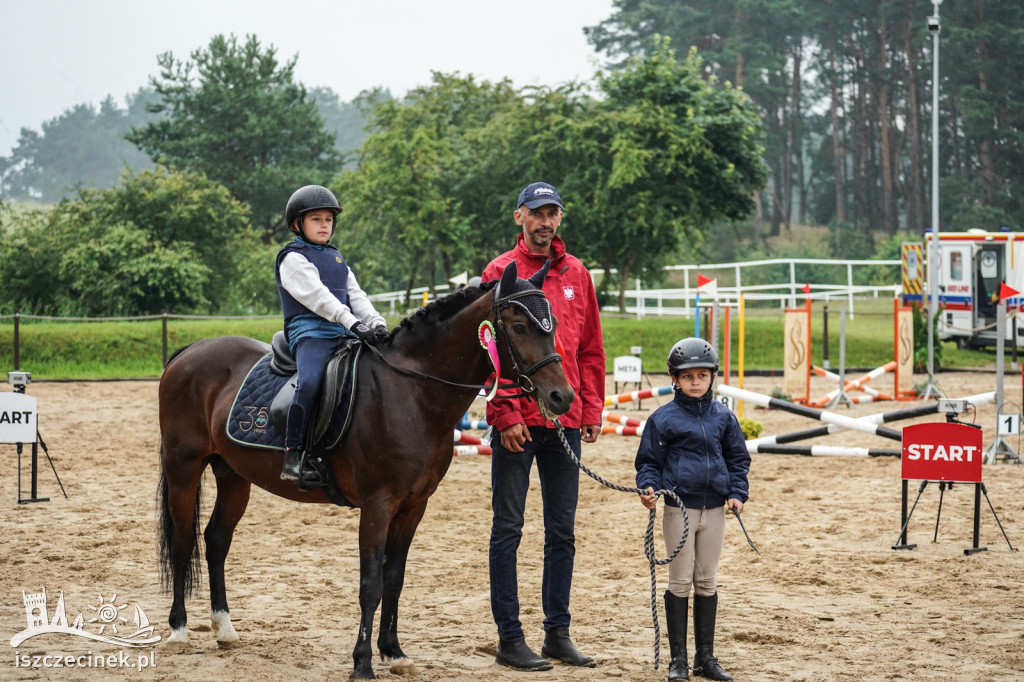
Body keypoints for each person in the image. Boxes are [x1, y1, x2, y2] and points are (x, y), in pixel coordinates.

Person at [483, 181, 605, 671]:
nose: (546, 221)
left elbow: (590, 348)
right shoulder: (499, 273)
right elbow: (490, 354)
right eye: (537, 213)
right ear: (519, 218)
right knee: (508, 530)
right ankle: (510, 638)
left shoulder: (578, 273)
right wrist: (506, 413)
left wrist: (592, 407)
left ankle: (558, 633)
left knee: (562, 531)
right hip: (517, 423)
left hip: (567, 420)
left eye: (553, 213)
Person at [635, 338, 750, 681]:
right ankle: (679, 661)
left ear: (713, 377)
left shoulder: (724, 418)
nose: (696, 382)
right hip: (678, 509)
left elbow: (737, 459)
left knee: (707, 580)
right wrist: (648, 487)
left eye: (702, 375)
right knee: (680, 580)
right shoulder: (662, 419)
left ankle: (706, 657)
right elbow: (649, 462)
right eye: (688, 377)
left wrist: (737, 492)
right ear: (675, 379)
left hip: (715, 509)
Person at [275, 184, 389, 489]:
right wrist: (354, 324)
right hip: (311, 335)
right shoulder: (292, 258)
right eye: (316, 219)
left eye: (328, 219)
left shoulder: (337, 258)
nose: (324, 224)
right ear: (298, 224)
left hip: (343, 332)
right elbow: (320, 298)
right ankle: (294, 454)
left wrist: (376, 323)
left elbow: (356, 295)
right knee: (310, 382)